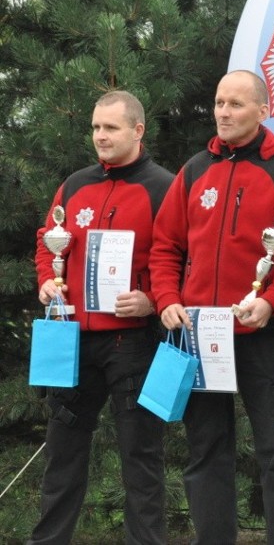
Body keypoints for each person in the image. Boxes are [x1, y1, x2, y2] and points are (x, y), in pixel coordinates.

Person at [149, 70, 274, 544]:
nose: (223, 112)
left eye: (236, 104)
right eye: (219, 102)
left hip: (263, 336)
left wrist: (270, 302)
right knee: (205, 454)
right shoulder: (195, 169)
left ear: (263, 111)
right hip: (200, 335)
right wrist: (166, 300)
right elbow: (165, 248)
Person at [31, 90, 172, 544]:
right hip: (72, 339)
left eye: (110, 128)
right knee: (62, 454)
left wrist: (151, 299)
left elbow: (180, 259)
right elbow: (46, 240)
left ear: (137, 130)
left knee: (141, 457)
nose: (100, 136)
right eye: (95, 127)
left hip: (131, 343)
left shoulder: (164, 188)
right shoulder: (74, 185)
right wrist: (45, 282)